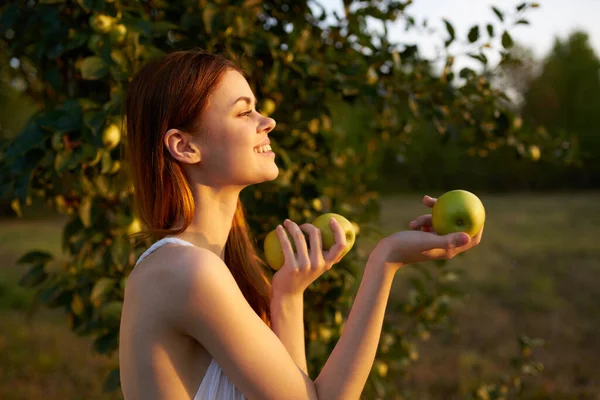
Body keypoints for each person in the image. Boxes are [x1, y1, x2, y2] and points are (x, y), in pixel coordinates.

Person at [118, 49, 483, 400]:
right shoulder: (188, 271)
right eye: (243, 113)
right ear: (184, 146)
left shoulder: (205, 267)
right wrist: (386, 260)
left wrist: (288, 297)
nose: (268, 121)